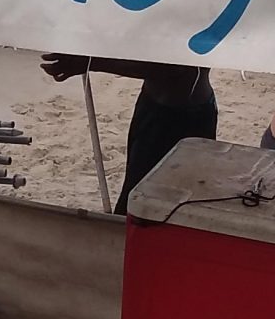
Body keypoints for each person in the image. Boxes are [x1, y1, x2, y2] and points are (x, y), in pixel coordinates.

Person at [38, 55, 216, 212]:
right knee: (139, 195)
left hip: (185, 117)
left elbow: (174, 67)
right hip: (154, 107)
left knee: (170, 202)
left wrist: (91, 61)